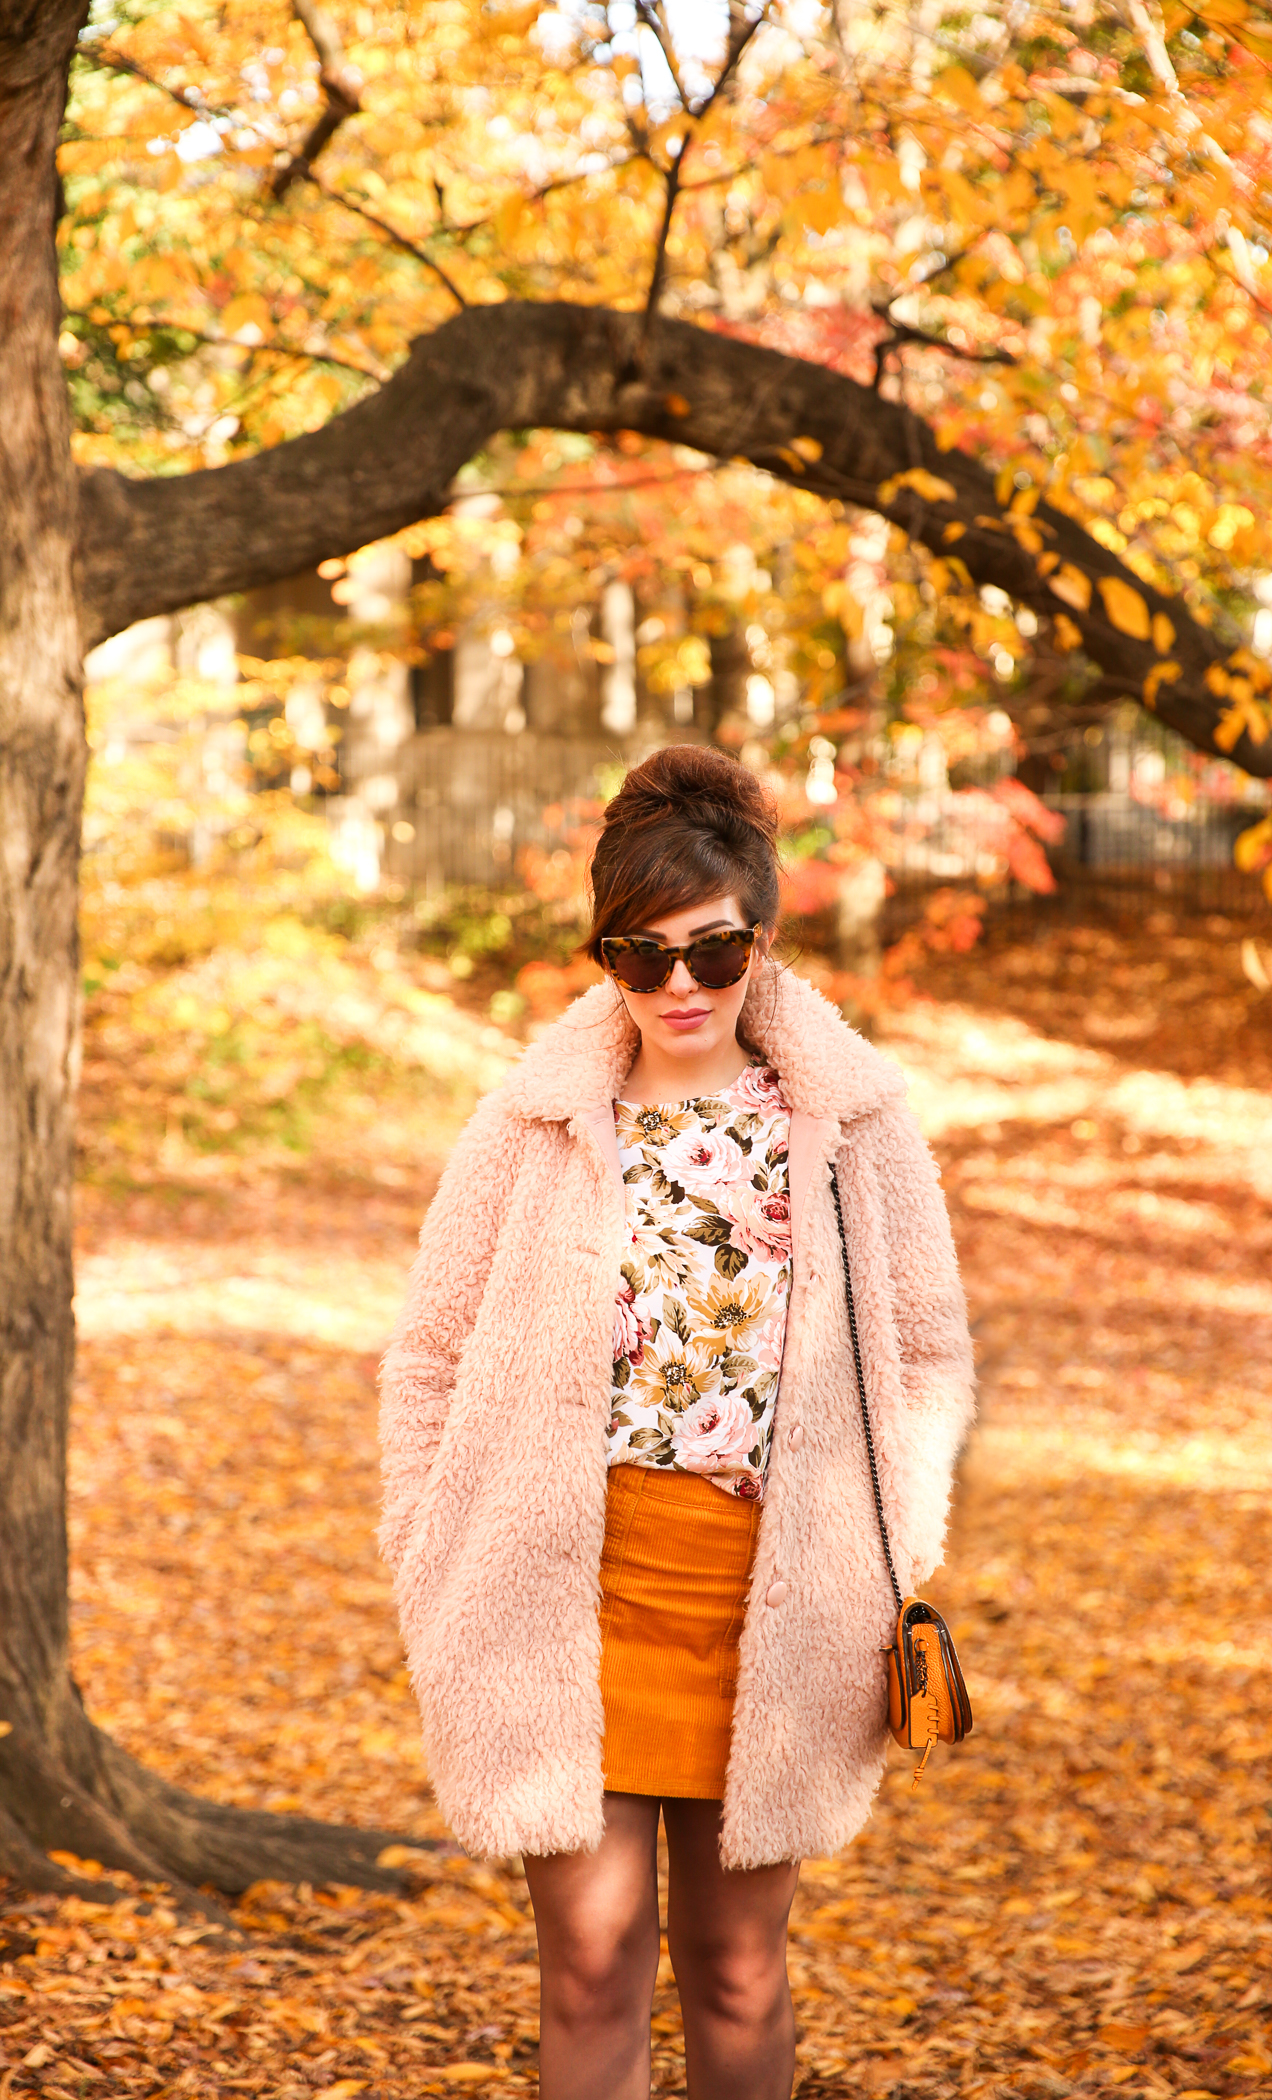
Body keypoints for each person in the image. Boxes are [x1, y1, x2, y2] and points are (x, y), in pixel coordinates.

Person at [379, 745, 974, 2100]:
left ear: (761, 942)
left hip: (773, 1599)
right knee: (590, 1968)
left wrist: (900, 1551)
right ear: (602, 955)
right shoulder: (531, 1123)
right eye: (639, 956)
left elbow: (930, 1350)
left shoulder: (851, 1125)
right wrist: (429, 1554)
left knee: (739, 1971)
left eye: (711, 953)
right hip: (562, 1594)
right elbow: (427, 1355)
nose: (678, 988)